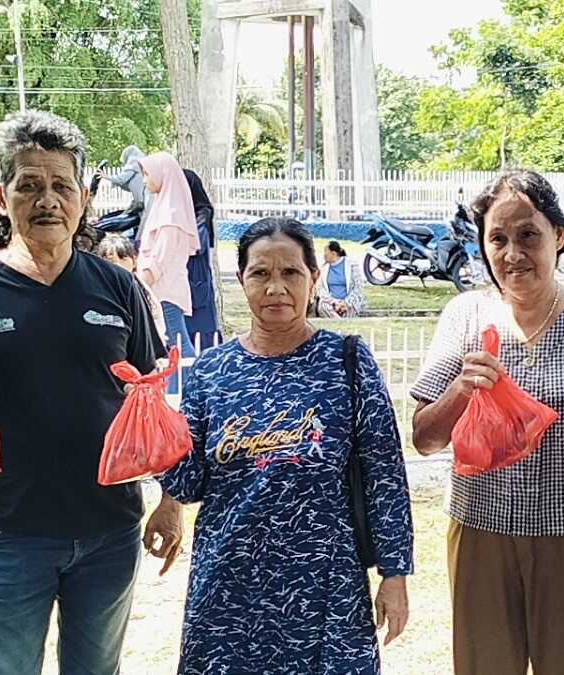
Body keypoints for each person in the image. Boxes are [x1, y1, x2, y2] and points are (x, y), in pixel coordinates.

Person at [0, 110, 171, 675]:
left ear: (84, 198)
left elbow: (149, 400)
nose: (48, 200)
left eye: (62, 186)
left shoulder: (117, 287)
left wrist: (168, 500)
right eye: (29, 186)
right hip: (9, 532)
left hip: (109, 530)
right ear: (1, 197)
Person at [410, 170, 564, 675]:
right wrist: (461, 389)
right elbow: (425, 439)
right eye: (497, 238)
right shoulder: (465, 316)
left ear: (558, 235)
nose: (513, 254)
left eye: (528, 235)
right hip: (481, 535)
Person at [157, 217, 413, 674]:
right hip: (228, 588)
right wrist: (152, 428)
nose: (276, 287)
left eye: (290, 272)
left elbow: (385, 475)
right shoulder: (211, 372)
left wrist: (394, 575)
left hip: (326, 587)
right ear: (241, 280)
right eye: (260, 273)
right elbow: (189, 481)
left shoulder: (346, 362)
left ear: (313, 277)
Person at [136, 152, 199, 361]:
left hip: (165, 291)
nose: (144, 181)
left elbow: (160, 258)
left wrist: (140, 283)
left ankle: (188, 380)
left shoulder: (171, 217)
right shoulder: (163, 209)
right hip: (160, 289)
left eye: (147, 174)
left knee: (178, 345)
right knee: (171, 345)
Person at [96, 233, 168, 343]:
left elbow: (156, 326)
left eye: (123, 259)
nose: (118, 265)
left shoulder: (143, 290)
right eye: (111, 260)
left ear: (134, 260)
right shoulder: (97, 291)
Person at [182, 168, 221, 349]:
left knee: (199, 334)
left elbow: (195, 246)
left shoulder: (201, 216)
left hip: (195, 281)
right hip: (188, 281)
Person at [103, 145, 152, 234]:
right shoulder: (142, 164)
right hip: (142, 201)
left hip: (141, 202)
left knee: (142, 225)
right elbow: (129, 185)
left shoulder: (134, 163)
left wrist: (106, 176)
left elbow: (121, 180)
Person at [317, 240, 366, 318]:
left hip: (348, 301)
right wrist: (335, 302)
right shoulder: (324, 268)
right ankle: (340, 321)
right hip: (331, 303)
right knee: (323, 306)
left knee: (350, 308)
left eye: (326, 251)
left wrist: (345, 303)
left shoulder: (352, 265)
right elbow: (321, 289)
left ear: (333, 253)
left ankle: (340, 320)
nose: (324, 255)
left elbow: (358, 287)